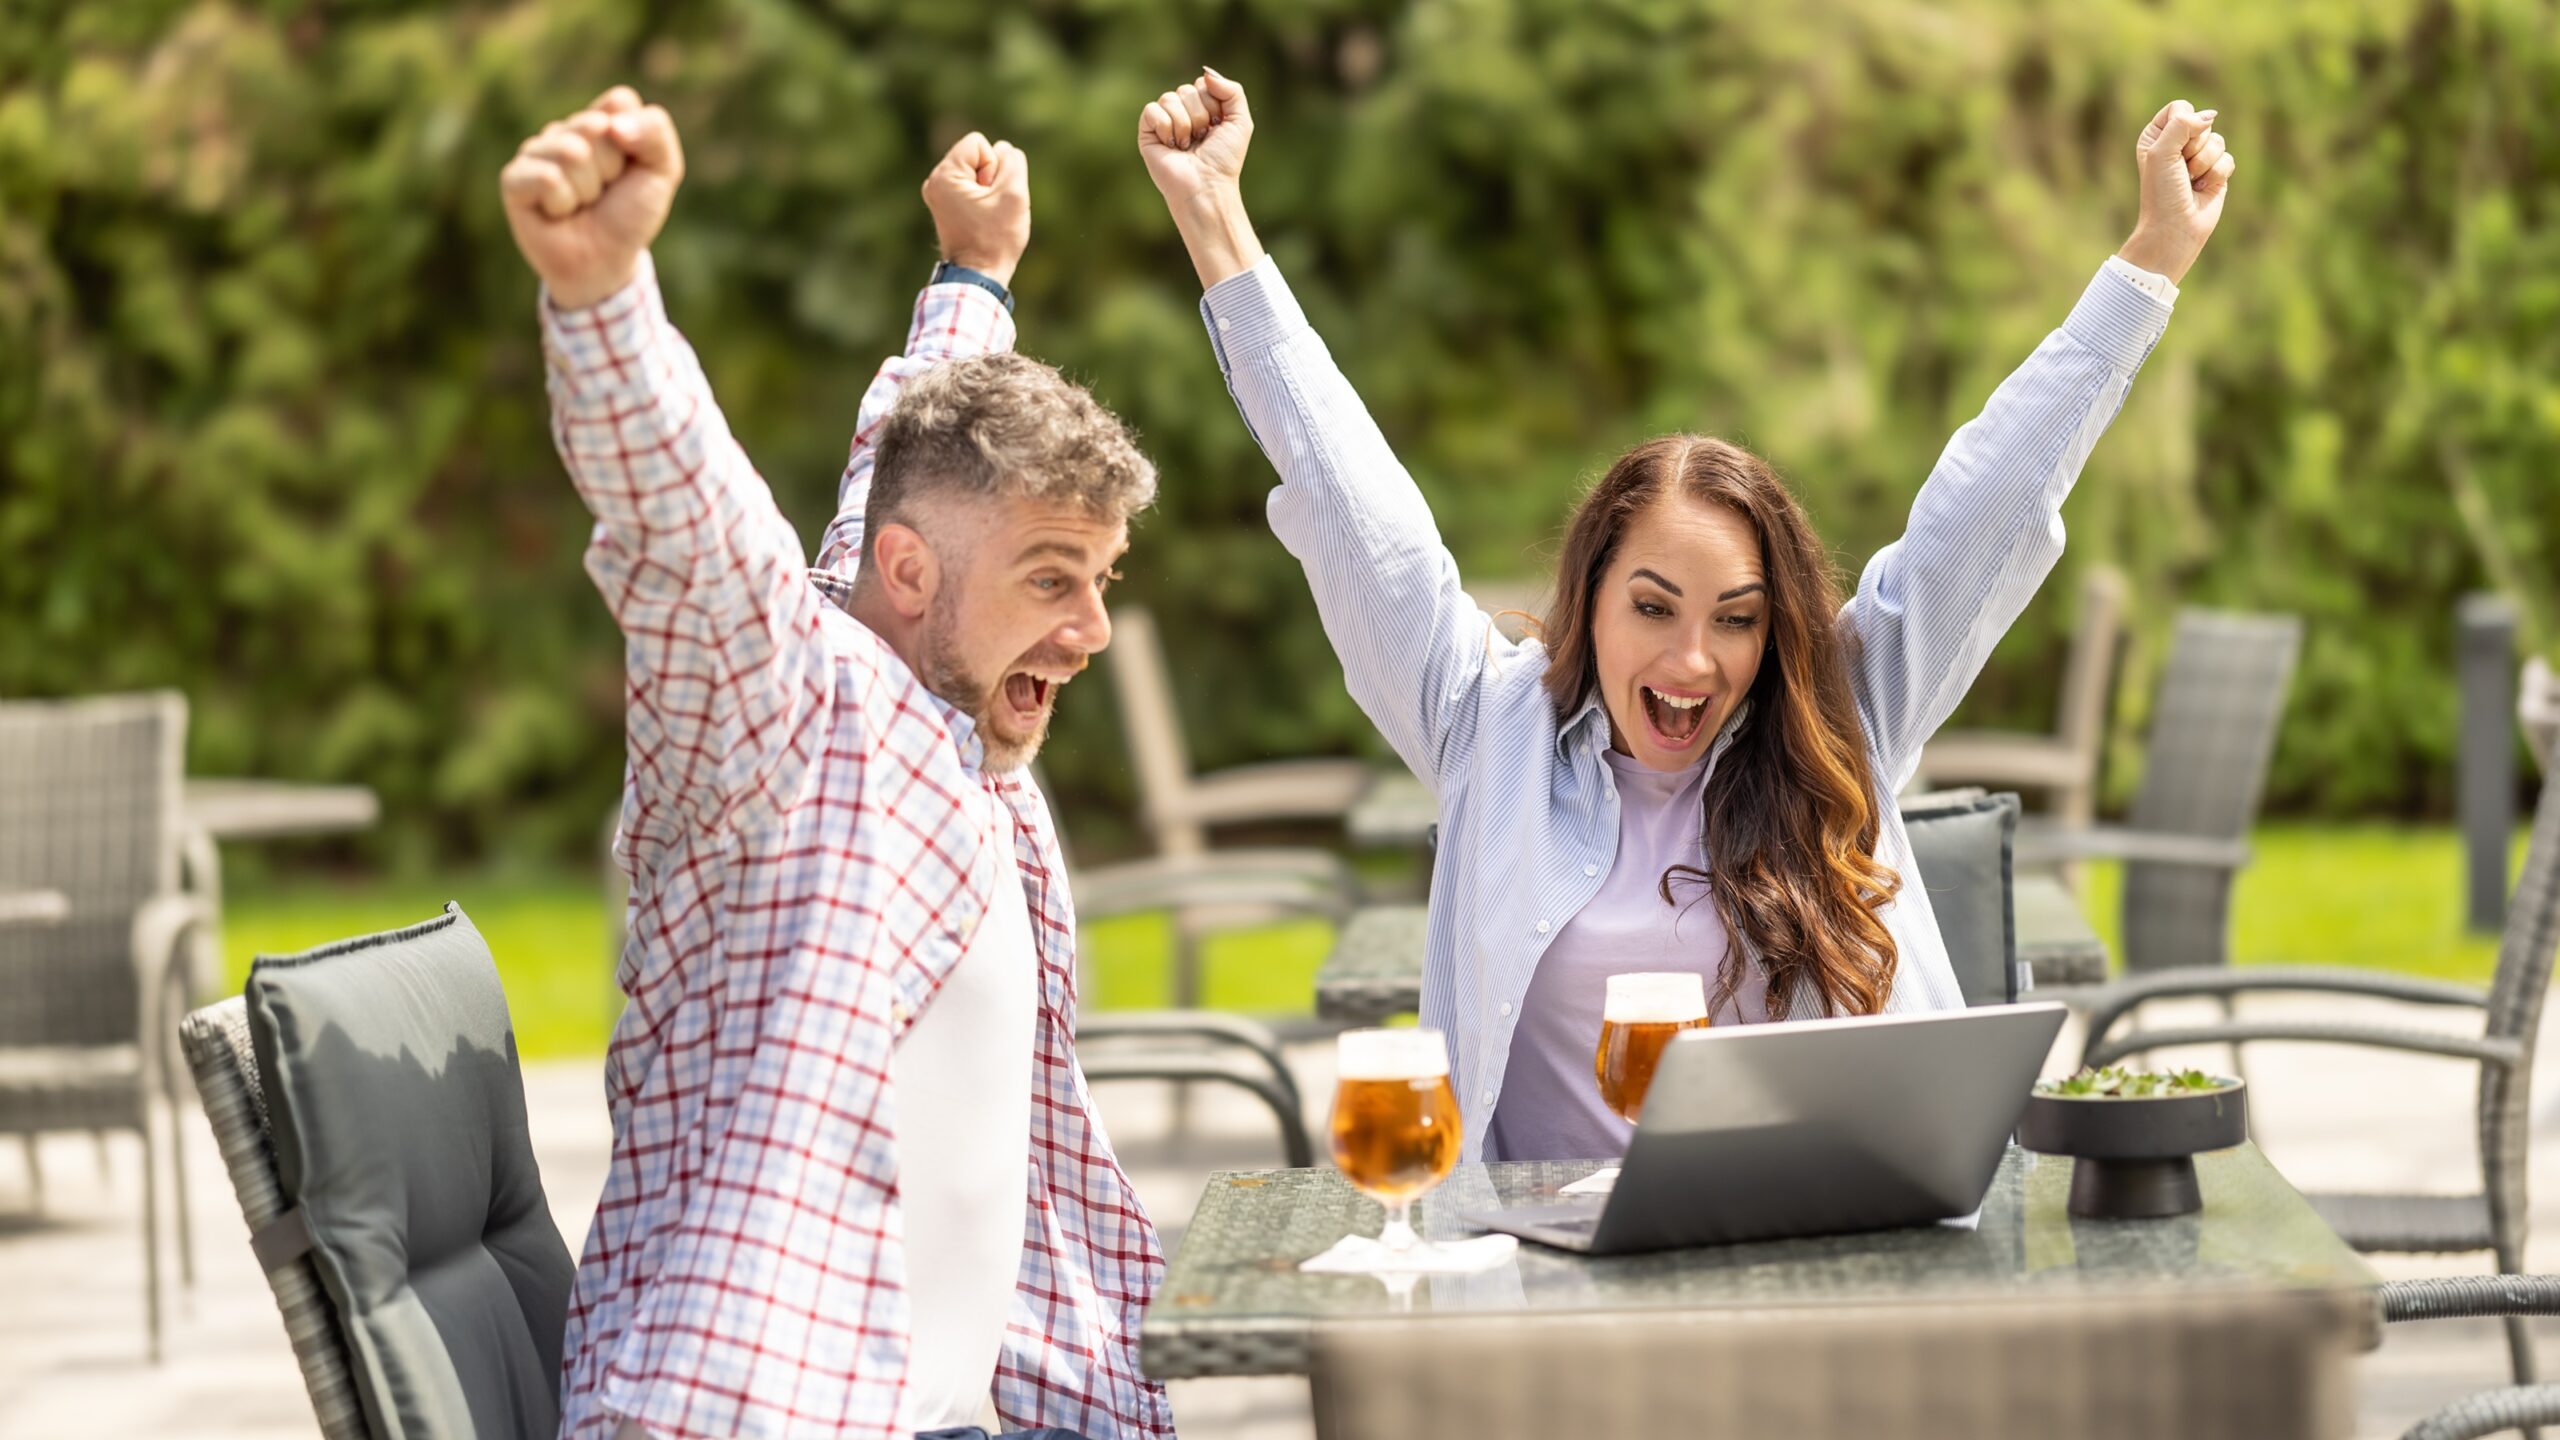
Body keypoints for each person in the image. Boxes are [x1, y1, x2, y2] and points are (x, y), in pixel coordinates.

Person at [1137, 69, 2236, 1164]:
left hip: (1819, 1250)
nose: (1691, 659)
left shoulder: (1839, 713)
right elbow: (1347, 499)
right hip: (1546, 1276)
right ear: (1590, 600)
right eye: (1651, 607)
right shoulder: (1484, 724)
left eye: (1738, 619)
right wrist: (1215, 217)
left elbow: (1988, 503)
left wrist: (2147, 263)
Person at [500, 87, 1175, 1440]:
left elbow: (899, 454)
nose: (1091, 630)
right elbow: (692, 533)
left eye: (1101, 579)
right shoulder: (794, 720)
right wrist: (604, 300)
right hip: (776, 1413)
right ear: (913, 577)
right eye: (1056, 579)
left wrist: (970, 275)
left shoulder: (939, 689)